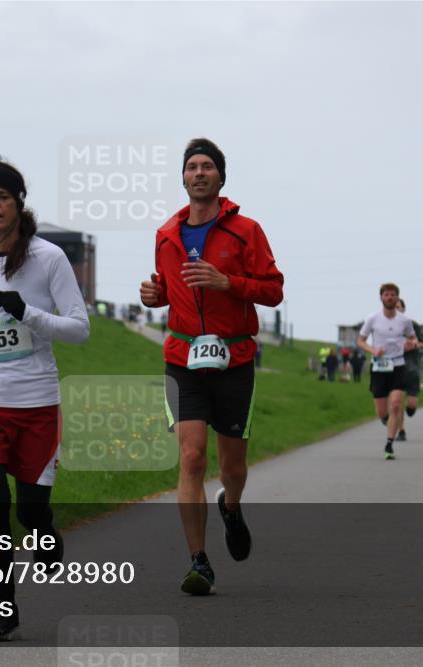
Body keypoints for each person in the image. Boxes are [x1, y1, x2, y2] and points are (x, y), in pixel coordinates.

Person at [0, 159, 89, 641]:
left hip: (35, 404)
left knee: (29, 512)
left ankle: (45, 533)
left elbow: (79, 328)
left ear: (18, 202)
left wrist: (29, 313)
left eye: (2, 196)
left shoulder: (48, 258)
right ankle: (4, 610)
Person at [139, 137, 284, 595]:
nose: (199, 173)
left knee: (232, 466)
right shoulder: (166, 235)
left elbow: (273, 290)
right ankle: (199, 561)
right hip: (182, 358)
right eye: (191, 167)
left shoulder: (247, 231)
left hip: (234, 358)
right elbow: (169, 289)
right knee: (192, 455)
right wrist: (155, 295)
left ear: (221, 178)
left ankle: (232, 506)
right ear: (183, 178)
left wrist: (229, 282)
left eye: (207, 167)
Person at [356, 283, 417, 460]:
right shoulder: (373, 318)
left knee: (397, 404)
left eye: (393, 295)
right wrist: (372, 350)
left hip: (398, 366)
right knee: (382, 412)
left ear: (397, 298)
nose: (390, 297)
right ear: (381, 298)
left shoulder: (404, 321)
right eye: (386, 295)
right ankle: (386, 420)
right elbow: (360, 341)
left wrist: (410, 343)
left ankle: (389, 444)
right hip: (379, 366)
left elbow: (412, 338)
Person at [395, 298, 423, 442]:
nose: (397, 309)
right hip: (396, 368)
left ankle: (412, 408)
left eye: (399, 307)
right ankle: (401, 431)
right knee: (398, 401)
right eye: (394, 307)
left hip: (412, 368)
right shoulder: (387, 326)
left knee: (411, 405)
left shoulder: (412, 324)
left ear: (404, 309)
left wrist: (413, 346)